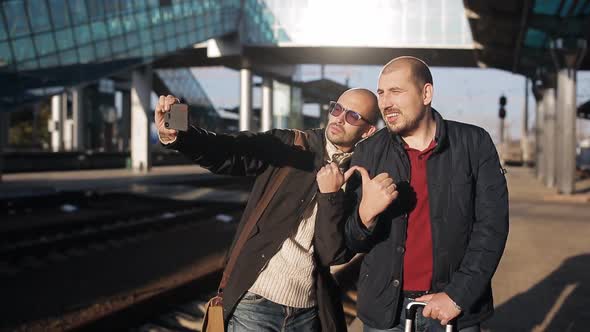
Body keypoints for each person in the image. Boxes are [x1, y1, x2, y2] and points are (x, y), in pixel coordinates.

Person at [155, 88, 379, 332]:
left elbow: (334, 254)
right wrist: (180, 135)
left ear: (368, 131)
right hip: (256, 302)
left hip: (308, 311)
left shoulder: (359, 178)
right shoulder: (292, 145)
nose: (339, 118)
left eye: (352, 116)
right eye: (337, 108)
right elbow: (229, 151)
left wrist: (332, 196)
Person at [343, 57, 509, 332]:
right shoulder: (368, 151)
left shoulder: (474, 144)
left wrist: (458, 296)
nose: (385, 102)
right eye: (381, 93)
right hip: (385, 312)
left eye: (396, 91)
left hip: (451, 310)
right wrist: (365, 215)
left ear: (426, 93)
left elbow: (492, 227)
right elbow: (350, 240)